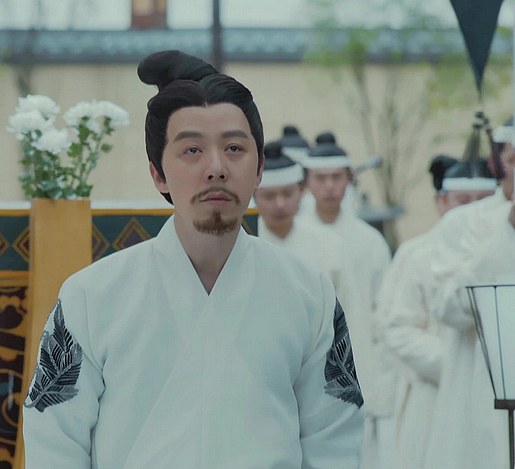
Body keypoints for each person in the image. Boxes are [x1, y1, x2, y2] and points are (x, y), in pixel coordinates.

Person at [21, 49, 364, 468]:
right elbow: (55, 442)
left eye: (234, 148)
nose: (216, 168)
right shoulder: (91, 297)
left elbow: (334, 439)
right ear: (158, 174)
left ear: (259, 168)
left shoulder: (308, 293)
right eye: (192, 150)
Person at [378, 155, 496, 469]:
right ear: (442, 201)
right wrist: (458, 365)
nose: (472, 209)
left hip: (493, 397)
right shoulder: (416, 254)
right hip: (432, 396)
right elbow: (397, 328)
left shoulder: (501, 249)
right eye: (463, 201)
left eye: (483, 200)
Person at [422, 128, 515, 469]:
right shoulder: (462, 223)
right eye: (514, 160)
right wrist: (509, 229)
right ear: (496, 163)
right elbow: (446, 306)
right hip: (480, 400)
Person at [299, 131, 392, 468]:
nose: (329, 186)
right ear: (308, 182)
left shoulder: (371, 242)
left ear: (349, 179)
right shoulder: (295, 237)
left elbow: (384, 314)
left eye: (336, 177)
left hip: (361, 364)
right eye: (321, 178)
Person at [254, 139, 349, 299]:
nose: (280, 204)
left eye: (287, 194)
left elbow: (346, 304)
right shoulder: (243, 243)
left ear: (301, 191)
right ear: (254, 197)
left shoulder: (329, 243)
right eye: (269, 196)